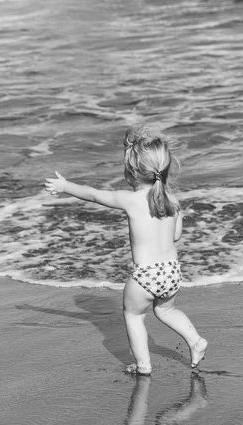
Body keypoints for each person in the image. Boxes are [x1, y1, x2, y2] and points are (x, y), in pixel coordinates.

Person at [44, 125, 207, 375]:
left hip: (145, 275)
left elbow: (94, 195)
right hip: (172, 273)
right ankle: (196, 341)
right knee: (166, 310)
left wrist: (65, 186)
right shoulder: (173, 201)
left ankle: (143, 366)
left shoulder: (130, 199)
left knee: (133, 316)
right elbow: (176, 236)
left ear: (131, 172)